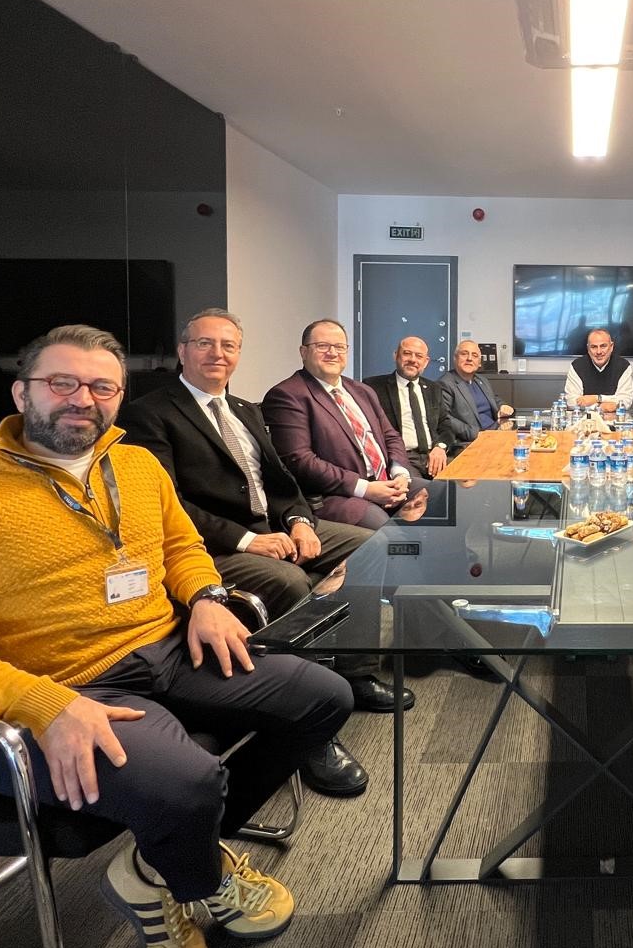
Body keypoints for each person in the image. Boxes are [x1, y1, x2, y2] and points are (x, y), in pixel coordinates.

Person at [0, 324, 356, 948]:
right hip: (58, 692)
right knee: (188, 782)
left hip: (166, 652)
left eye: (102, 387)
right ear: (21, 393)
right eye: (62, 383)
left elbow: (182, 547)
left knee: (324, 697)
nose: (83, 398)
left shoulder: (136, 464)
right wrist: (43, 703)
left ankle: (158, 863)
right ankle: (196, 877)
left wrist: (207, 597)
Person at [120, 307, 409, 724]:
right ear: (183, 351)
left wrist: (300, 522)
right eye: (205, 344)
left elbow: (280, 482)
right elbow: (169, 505)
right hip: (216, 544)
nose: (218, 354)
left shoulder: (244, 409)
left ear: (238, 354)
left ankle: (356, 671)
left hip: (274, 526)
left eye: (229, 345)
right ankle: (307, 706)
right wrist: (247, 540)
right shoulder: (150, 414)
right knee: (289, 580)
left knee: (371, 546)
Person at [262, 319, 419, 531]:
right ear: (303, 352)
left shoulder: (362, 391)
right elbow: (300, 461)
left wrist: (400, 474)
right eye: (322, 346)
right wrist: (365, 488)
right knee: (387, 533)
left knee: (441, 497)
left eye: (339, 347)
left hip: (386, 480)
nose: (332, 353)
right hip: (336, 495)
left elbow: (390, 435)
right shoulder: (287, 395)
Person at [364, 336, 453, 478]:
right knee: (421, 489)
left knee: (468, 479)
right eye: (407, 353)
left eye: (419, 356)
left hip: (433, 454)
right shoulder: (373, 387)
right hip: (402, 458)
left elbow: (446, 425)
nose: (413, 359)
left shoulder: (433, 389)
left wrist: (440, 447)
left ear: (426, 362)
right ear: (396, 356)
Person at [439, 339, 514, 451]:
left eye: (474, 355)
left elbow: (494, 399)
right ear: (455, 358)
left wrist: (503, 406)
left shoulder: (481, 380)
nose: (469, 358)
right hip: (471, 442)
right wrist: (478, 434)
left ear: (479, 363)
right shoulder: (445, 383)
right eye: (464, 354)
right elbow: (446, 419)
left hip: (496, 433)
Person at [563, 328, 633, 414]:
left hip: (614, 419)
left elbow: (625, 401)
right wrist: (601, 407)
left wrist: (597, 398)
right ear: (588, 348)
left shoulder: (623, 366)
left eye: (603, 346)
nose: (599, 351)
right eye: (594, 347)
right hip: (584, 419)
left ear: (611, 347)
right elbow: (571, 401)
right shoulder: (577, 366)